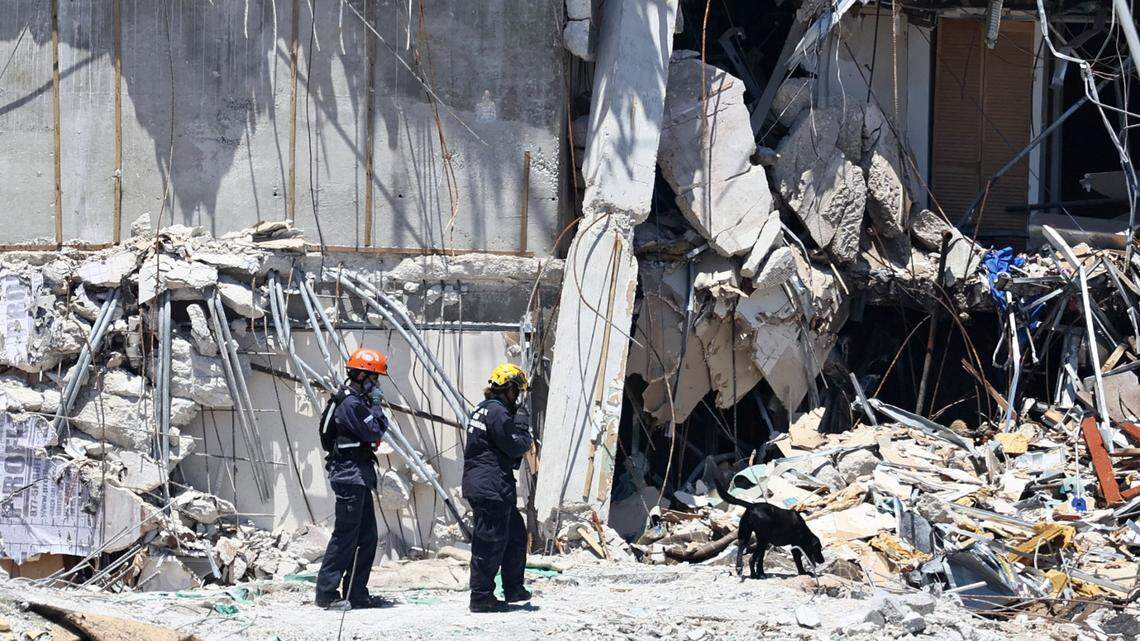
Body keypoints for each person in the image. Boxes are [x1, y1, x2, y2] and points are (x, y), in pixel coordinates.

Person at [314, 347, 391, 610]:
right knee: (345, 536)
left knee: (367, 537)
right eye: (374, 378)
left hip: (359, 475)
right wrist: (377, 406)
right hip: (349, 476)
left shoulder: (356, 401)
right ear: (361, 375)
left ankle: (356, 592)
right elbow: (375, 430)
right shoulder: (351, 404)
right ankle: (326, 594)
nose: (376, 384)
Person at [461, 363, 534, 613]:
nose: (518, 398)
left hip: (491, 485)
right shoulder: (497, 412)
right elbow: (515, 446)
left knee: (515, 536)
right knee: (489, 542)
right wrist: (522, 428)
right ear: (509, 389)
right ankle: (481, 597)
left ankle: (513, 588)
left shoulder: (483, 409)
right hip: (491, 487)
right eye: (517, 391)